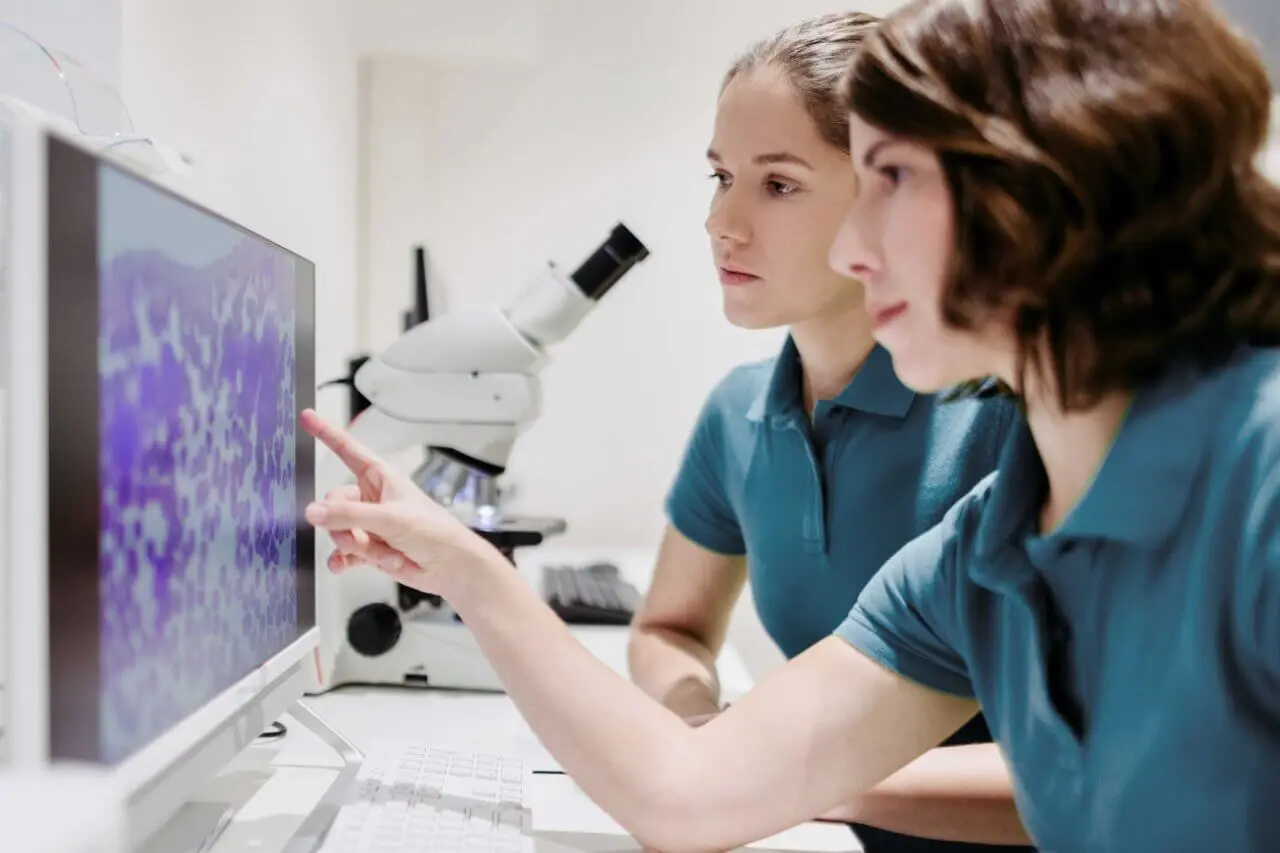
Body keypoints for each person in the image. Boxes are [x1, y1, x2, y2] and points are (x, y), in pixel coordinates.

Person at [302, 0, 1280, 850]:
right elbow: (688, 796)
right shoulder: (987, 542)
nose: (854, 248)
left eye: (888, 178)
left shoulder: (1258, 478)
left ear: (1044, 187)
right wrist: (469, 568)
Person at [626, 13, 1029, 850]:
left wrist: (783, 776)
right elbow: (670, 628)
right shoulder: (737, 413)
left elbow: (1092, 772)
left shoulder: (1007, 417)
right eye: (720, 176)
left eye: (777, 185)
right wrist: (703, 722)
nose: (721, 223)